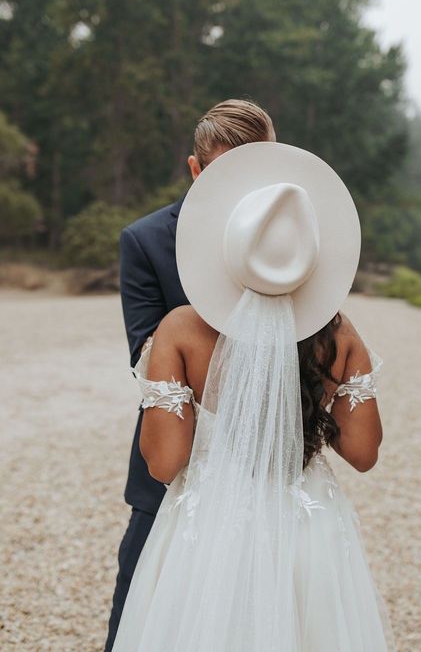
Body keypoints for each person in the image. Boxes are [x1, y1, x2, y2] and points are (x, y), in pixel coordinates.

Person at [111, 141, 397, 651]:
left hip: (208, 539)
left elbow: (164, 461)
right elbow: (363, 452)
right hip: (307, 531)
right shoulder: (340, 335)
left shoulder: (181, 331)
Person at [104, 99, 277, 652]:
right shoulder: (146, 241)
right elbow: (147, 358)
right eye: (226, 175)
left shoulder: (296, 241)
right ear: (196, 169)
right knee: (139, 618)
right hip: (177, 474)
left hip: (271, 472)